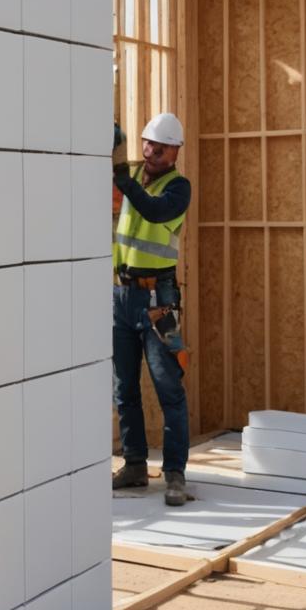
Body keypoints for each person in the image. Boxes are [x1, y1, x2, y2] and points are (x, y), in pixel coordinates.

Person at [111, 113, 192, 507]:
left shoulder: (178, 188)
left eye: (160, 147)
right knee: (124, 388)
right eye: (146, 143)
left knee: (168, 389)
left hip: (159, 301)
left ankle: (175, 474)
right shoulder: (129, 181)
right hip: (121, 296)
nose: (151, 151)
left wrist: (123, 180)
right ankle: (135, 465)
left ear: (175, 151)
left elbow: (153, 212)